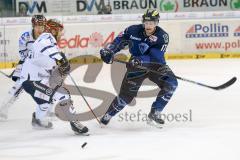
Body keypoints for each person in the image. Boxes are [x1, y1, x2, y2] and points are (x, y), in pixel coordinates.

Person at [99, 9, 178, 127]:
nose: (148, 26)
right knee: (126, 96)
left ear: (156, 23)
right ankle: (108, 115)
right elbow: (120, 40)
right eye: (146, 23)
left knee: (171, 83)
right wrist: (110, 50)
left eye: (151, 23)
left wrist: (141, 60)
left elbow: (156, 57)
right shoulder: (132, 30)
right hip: (136, 66)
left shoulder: (162, 36)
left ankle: (155, 112)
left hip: (155, 66)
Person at [20, 19, 89, 134]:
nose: (62, 33)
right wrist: (61, 59)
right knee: (62, 95)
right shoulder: (46, 37)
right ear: (53, 30)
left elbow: (47, 63)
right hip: (31, 81)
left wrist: (60, 66)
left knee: (46, 102)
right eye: (60, 30)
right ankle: (74, 123)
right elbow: (46, 47)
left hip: (33, 80)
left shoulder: (48, 42)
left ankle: (38, 120)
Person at [0, 15, 47, 120]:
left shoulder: (46, 37)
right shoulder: (25, 36)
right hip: (28, 65)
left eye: (42, 26)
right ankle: (3, 109)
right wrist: (22, 68)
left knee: (49, 87)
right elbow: (23, 54)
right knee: (18, 86)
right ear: (33, 26)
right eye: (38, 26)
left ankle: (46, 112)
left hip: (42, 67)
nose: (40, 29)